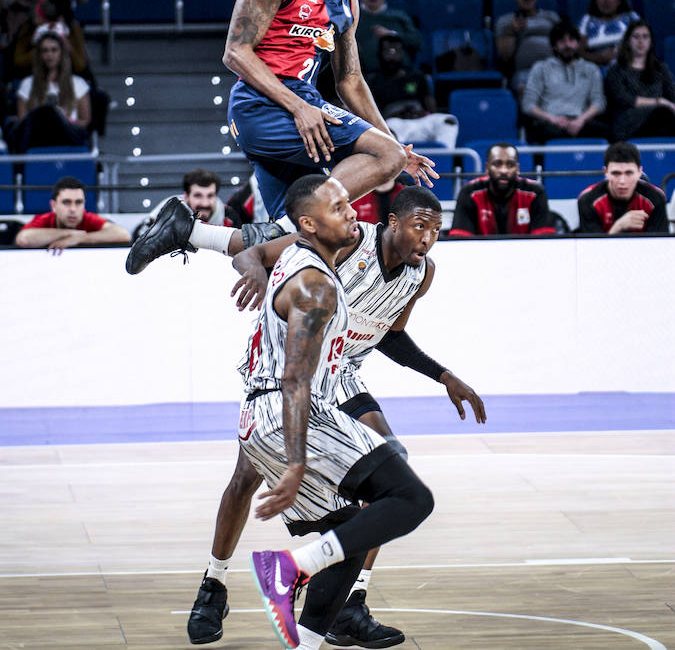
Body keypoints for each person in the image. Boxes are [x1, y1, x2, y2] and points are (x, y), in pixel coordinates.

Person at [144, 180, 483, 646]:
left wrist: (442, 374)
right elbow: (253, 251)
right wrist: (252, 269)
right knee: (251, 478)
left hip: (339, 375)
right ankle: (214, 584)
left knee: (385, 472)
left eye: (436, 230)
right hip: (287, 377)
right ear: (392, 223)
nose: (427, 239)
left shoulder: (418, 274)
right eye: (420, 227)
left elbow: (389, 334)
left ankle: (347, 605)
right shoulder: (337, 251)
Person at [224, 0, 437, 237]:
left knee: (302, 237)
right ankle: (300, 215)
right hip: (260, 103)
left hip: (297, 105)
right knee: (372, 169)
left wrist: (394, 146)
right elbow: (235, 52)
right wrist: (300, 108)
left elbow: (350, 80)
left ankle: (193, 233)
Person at [521, 20, 609, 144]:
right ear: (554, 46)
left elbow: (599, 102)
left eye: (572, 40)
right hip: (550, 122)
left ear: (578, 44)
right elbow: (528, 105)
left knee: (606, 132)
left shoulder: (591, 69)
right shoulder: (540, 68)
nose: (568, 45)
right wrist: (553, 119)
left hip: (581, 121)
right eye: (562, 41)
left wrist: (580, 120)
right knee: (541, 131)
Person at [367, 33, 458, 149]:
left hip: (421, 120)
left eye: (396, 51)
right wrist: (396, 114)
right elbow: (372, 114)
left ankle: (446, 159)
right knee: (387, 129)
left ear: (403, 54)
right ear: (379, 54)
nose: (392, 56)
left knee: (448, 121)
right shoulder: (373, 81)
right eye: (388, 52)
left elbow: (431, 107)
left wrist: (423, 114)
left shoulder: (417, 76)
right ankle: (398, 164)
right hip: (395, 123)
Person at [6, 29, 91, 153]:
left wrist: (64, 120)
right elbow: (23, 123)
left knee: (53, 114)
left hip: (68, 135)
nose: (49, 55)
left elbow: (84, 120)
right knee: (45, 113)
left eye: (54, 50)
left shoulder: (78, 84)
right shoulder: (27, 84)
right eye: (45, 51)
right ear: (39, 55)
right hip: (36, 137)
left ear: (61, 53)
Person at [450, 142, 555, 236]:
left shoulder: (534, 192)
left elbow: (543, 240)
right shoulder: (470, 193)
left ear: (517, 169)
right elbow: (460, 239)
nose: (504, 170)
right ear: (487, 168)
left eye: (510, 165)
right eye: (497, 164)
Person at [604, 19, 675, 141]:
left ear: (651, 41)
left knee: (664, 116)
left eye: (645, 37)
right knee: (663, 113)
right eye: (636, 37)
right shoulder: (616, 71)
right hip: (628, 122)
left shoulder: (661, 69)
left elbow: (672, 96)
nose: (640, 41)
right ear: (628, 41)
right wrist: (659, 102)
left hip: (660, 118)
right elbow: (624, 99)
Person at [577, 141, 669, 234]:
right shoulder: (588, 200)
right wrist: (619, 226)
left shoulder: (655, 198)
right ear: (606, 172)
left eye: (629, 173)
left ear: (639, 172)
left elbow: (659, 245)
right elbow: (592, 247)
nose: (622, 181)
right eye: (616, 173)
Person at [15, 175, 130, 249]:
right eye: (66, 202)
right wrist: (69, 233)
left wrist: (80, 239)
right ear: (53, 205)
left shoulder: (88, 218)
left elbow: (123, 235)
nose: (73, 209)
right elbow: (23, 239)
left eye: (78, 202)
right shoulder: (45, 219)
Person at [494, 0, 560, 96]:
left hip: (554, 70)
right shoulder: (505, 21)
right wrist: (511, 32)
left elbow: (565, 45)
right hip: (524, 73)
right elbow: (504, 56)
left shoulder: (552, 17)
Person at [355, 0, 424, 76]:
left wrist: (393, 35)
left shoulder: (399, 17)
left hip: (400, 74)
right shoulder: (353, 18)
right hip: (363, 76)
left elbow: (418, 42)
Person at [577, 0, 639, 68]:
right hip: (595, 70)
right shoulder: (586, 20)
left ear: (619, 1)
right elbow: (579, 52)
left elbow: (643, 45)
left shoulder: (631, 17)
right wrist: (598, 58)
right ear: (596, 0)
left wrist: (620, 53)